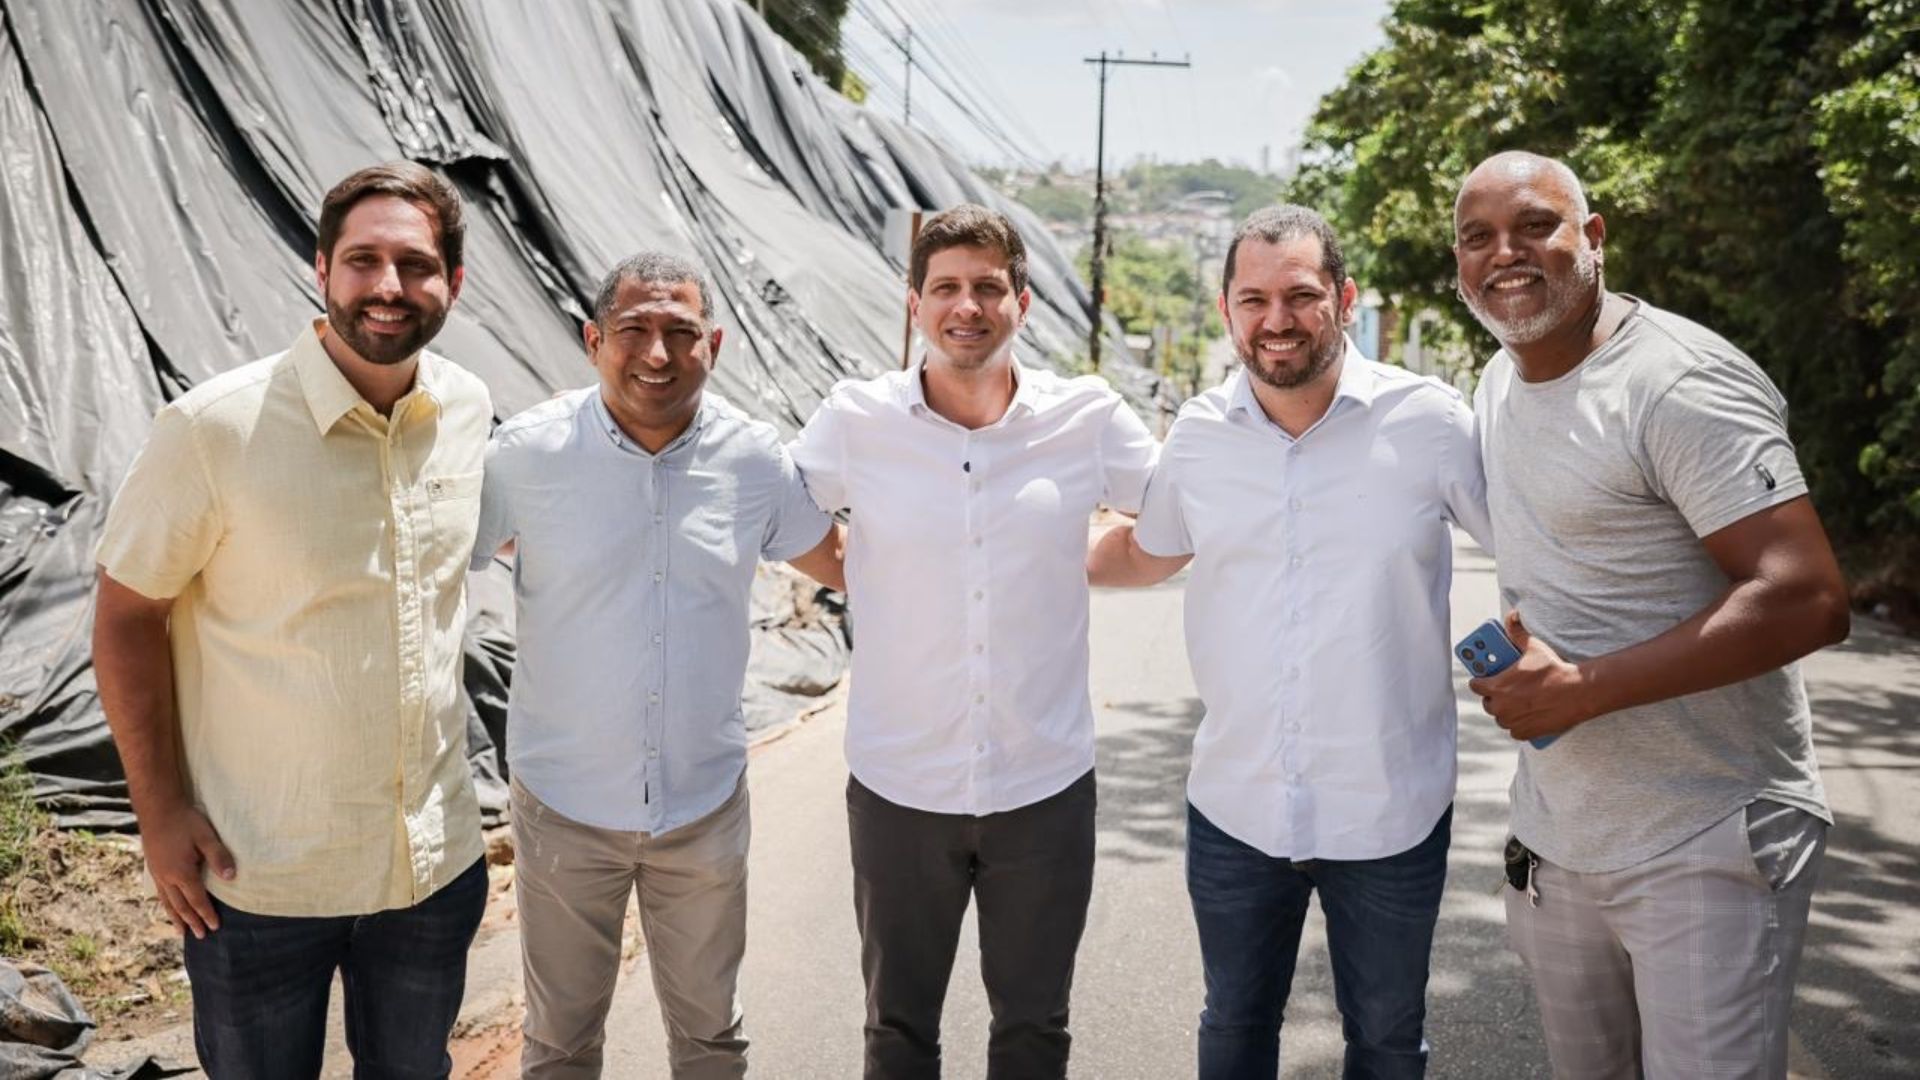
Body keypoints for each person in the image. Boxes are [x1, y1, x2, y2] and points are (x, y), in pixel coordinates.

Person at [1453, 150, 1850, 1077]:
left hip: (1706, 835)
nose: (1505, 253)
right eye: (1478, 238)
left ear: (1593, 238)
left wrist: (1583, 689)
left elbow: (1809, 597)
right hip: (1559, 840)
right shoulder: (1496, 380)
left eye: (1535, 226)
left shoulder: (1677, 382)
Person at [91, 162, 491, 1077]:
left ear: (454, 283)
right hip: (256, 878)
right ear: (321, 270)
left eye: (417, 265)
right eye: (364, 261)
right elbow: (125, 616)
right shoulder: (213, 430)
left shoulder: (465, 410)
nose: (390, 287)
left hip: (429, 873)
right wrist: (158, 814)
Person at [1087, 205, 1493, 1078]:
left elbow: (1533, 548)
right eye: (1255, 298)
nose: (1278, 320)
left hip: (1391, 807)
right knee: (1234, 1026)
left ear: (1343, 299)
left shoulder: (1431, 422)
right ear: (1228, 309)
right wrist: (1008, 543)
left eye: (1302, 295)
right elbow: (1143, 553)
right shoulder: (1196, 437)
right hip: (1238, 807)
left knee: (1386, 1039)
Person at [788, 204, 1157, 1079]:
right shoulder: (856, 418)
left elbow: (1174, 515)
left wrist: (1087, 561)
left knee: (1035, 1027)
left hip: (1043, 786)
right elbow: (788, 519)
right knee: (897, 1030)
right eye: (946, 287)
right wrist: (861, 571)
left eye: (989, 287)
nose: (968, 306)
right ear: (914, 302)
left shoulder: (1088, 417)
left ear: (1021, 303)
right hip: (898, 786)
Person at [470, 252, 841, 1078]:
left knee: (712, 1039)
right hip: (564, 805)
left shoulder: (752, 460)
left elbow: (842, 563)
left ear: (715, 344)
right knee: (561, 1042)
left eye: (681, 333)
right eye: (634, 331)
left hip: (702, 803)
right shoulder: (527, 455)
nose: (658, 355)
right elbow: (440, 556)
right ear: (593, 339)